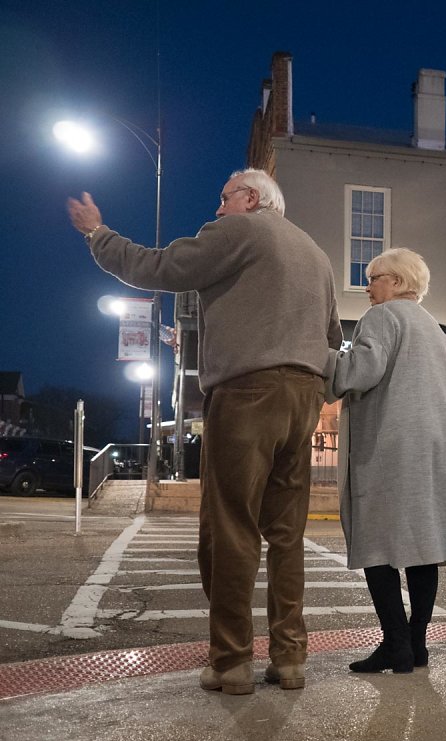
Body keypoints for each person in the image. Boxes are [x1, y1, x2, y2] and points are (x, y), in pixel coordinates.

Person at [67, 169, 343, 695]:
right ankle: (289, 657)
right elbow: (331, 335)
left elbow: (159, 266)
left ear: (253, 198)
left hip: (247, 393)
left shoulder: (242, 230)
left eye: (224, 197)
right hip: (304, 395)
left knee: (230, 526)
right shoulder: (315, 253)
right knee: (286, 534)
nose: (217, 209)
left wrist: (96, 234)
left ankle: (231, 661)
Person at [327, 247, 446, 673]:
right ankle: (416, 643)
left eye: (373, 277)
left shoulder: (382, 317)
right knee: (423, 547)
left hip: (391, 447)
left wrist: (325, 357)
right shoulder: (436, 330)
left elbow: (360, 373)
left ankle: (395, 645)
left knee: (378, 544)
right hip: (436, 448)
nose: (367, 286)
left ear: (396, 281)